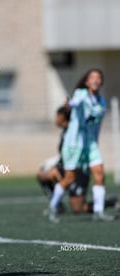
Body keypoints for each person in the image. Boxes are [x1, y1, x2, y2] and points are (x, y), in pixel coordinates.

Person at [48, 69, 116, 222]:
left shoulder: (102, 103)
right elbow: (74, 102)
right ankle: (53, 207)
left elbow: (97, 127)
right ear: (87, 81)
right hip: (74, 144)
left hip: (90, 144)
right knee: (69, 179)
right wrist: (69, 104)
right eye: (92, 77)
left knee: (100, 174)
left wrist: (95, 144)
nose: (96, 80)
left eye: (98, 78)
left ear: (101, 81)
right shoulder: (81, 94)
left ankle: (98, 212)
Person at [38, 106, 118, 214]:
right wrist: (56, 167)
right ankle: (57, 206)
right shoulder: (65, 132)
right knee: (42, 175)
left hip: (78, 170)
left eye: (57, 116)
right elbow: (64, 155)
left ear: (63, 117)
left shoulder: (75, 132)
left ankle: (109, 202)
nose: (55, 120)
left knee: (79, 209)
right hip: (66, 166)